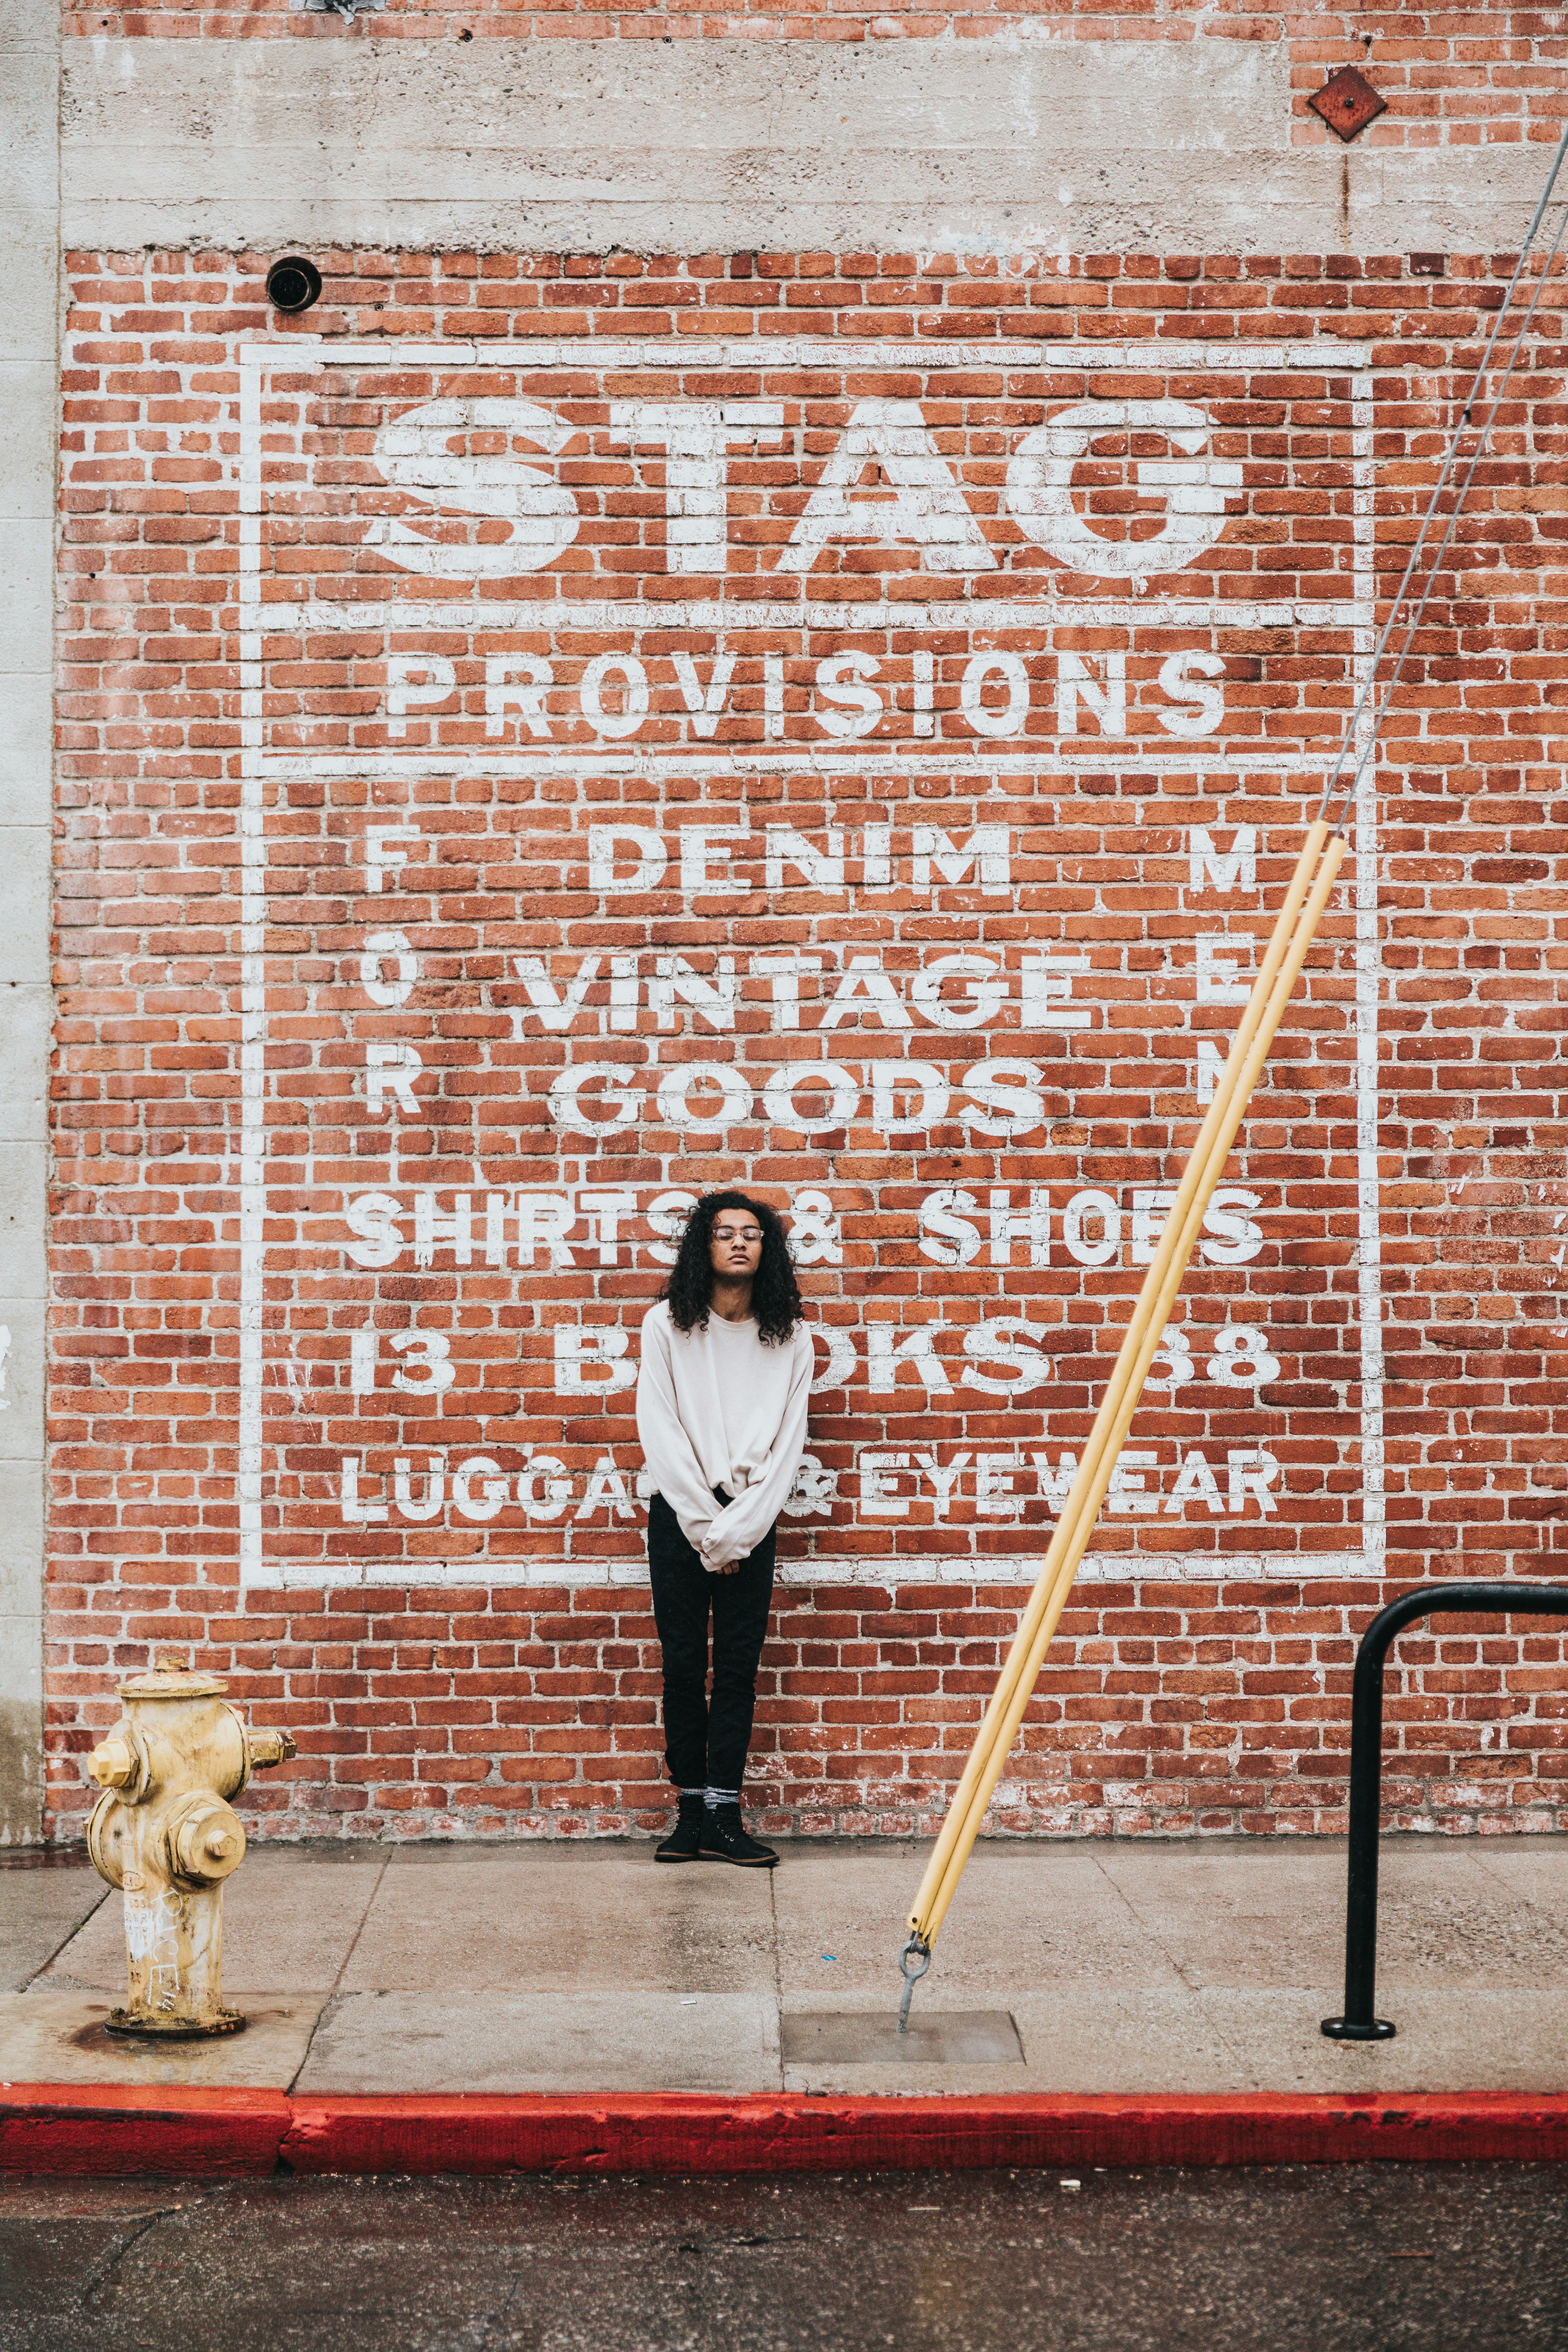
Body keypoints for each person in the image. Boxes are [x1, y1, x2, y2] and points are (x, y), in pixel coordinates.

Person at [635, 1190, 813, 1868]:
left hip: (753, 1518)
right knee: (683, 1668)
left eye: (752, 1234)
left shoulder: (793, 1335)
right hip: (682, 1513)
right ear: (702, 1247)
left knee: (737, 1671)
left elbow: (787, 1447)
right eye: (723, 1232)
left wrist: (738, 1532)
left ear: (767, 1249)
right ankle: (688, 1814)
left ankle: (725, 1814)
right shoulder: (665, 1326)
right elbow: (661, 1431)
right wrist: (708, 1528)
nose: (738, 1242)